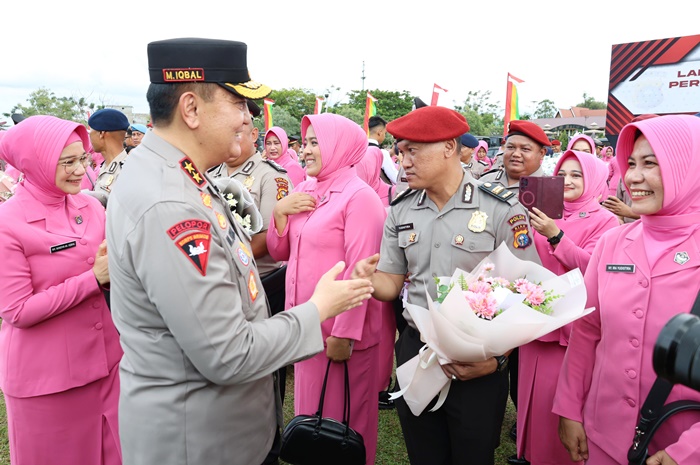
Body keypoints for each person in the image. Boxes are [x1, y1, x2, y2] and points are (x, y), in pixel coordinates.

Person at [105, 38, 374, 465]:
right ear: (191, 109)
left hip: (219, 428)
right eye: (238, 103)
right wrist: (319, 309)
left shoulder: (180, 175)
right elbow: (228, 355)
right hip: (201, 441)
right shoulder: (169, 202)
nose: (248, 119)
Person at [352, 106, 541, 465]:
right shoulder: (402, 209)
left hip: (479, 359)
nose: (402, 160)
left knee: (473, 454)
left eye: (412, 150)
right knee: (424, 454)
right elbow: (392, 284)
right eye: (400, 151)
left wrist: (498, 360)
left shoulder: (501, 209)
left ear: (449, 148)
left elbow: (531, 292)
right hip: (418, 352)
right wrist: (367, 280)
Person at [554, 114, 700, 465]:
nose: (633, 177)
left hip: (679, 444)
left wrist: (689, 450)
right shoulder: (613, 242)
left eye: (651, 163)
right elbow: (587, 332)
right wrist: (570, 409)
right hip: (603, 438)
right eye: (631, 163)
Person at [0, 115, 122, 465]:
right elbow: (17, 311)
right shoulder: (8, 222)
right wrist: (92, 279)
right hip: (47, 380)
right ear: (32, 162)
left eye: (82, 159)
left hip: (107, 367)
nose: (79, 170)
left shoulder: (91, 206)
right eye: (66, 162)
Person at [267, 113, 386, 465]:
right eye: (305, 142)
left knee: (343, 426)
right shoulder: (304, 189)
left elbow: (361, 270)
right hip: (306, 325)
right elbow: (281, 253)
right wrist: (278, 215)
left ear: (339, 146)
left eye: (315, 142)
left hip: (338, 332)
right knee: (311, 422)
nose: (305, 151)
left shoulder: (359, 197)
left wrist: (344, 334)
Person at [515, 150, 618, 465]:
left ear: (594, 180)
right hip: (534, 326)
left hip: (570, 334)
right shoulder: (545, 212)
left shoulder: (607, 221)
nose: (569, 180)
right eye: (563, 174)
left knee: (557, 413)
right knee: (529, 406)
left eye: (577, 174)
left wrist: (557, 237)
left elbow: (595, 269)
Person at [480, 120, 551, 437]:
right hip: (488, 287)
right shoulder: (483, 181)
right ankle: (488, 424)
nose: (516, 154)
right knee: (490, 364)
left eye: (526, 148)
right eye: (511, 146)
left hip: (530, 289)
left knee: (525, 367)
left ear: (541, 153)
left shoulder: (547, 190)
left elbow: (548, 247)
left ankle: (526, 422)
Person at [88, 108, 130, 200]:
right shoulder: (105, 166)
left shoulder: (127, 170)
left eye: (91, 131)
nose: (89, 136)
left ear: (101, 133)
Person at [368, 115, 399, 184]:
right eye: (385, 133)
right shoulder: (381, 153)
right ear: (379, 132)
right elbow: (395, 178)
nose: (384, 136)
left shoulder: (359, 150)